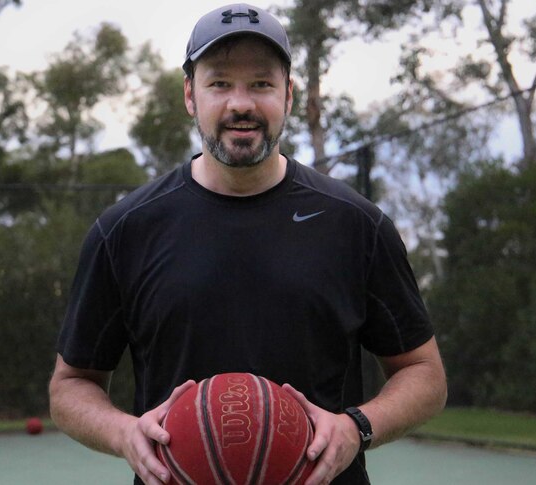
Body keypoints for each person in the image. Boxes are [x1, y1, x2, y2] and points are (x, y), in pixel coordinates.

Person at [49, 3, 447, 484]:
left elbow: (424, 373)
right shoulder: (125, 231)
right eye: (219, 83)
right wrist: (124, 433)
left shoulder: (356, 225)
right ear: (190, 96)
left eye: (261, 83)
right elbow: (71, 384)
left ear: (289, 95)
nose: (241, 103)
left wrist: (356, 427)